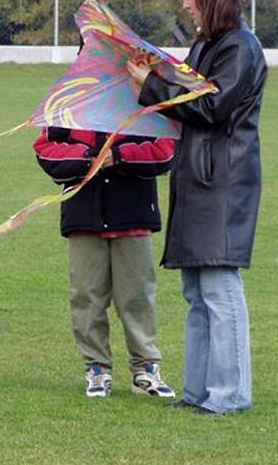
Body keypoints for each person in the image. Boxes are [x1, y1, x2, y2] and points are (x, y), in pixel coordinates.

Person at [126, 0, 268, 415]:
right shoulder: (207, 46)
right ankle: (199, 393)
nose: (185, 5)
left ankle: (229, 396)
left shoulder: (240, 48)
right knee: (196, 292)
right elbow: (186, 93)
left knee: (220, 288)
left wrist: (153, 85)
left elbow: (210, 106)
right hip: (197, 178)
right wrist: (153, 76)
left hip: (223, 182)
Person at [34, 115, 176, 398]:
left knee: (136, 294)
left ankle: (145, 367)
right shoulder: (70, 105)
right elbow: (45, 149)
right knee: (86, 295)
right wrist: (90, 158)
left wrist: (119, 157)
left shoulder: (146, 103)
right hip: (83, 215)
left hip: (133, 212)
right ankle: (97, 368)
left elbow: (165, 150)